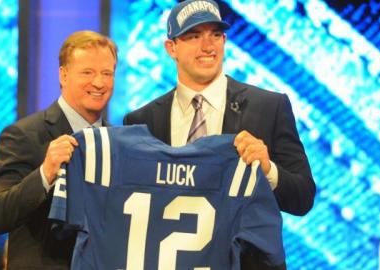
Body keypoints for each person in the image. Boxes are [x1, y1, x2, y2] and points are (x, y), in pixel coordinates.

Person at [123, 0, 315, 268]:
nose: (207, 46)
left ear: (224, 40)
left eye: (215, 34)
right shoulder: (142, 122)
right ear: (171, 48)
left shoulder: (269, 107)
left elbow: (303, 198)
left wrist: (268, 169)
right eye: (193, 36)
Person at [0, 30, 117, 269]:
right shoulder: (22, 135)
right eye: (87, 72)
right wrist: (45, 173)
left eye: (107, 73)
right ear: (64, 75)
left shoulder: (117, 143)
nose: (99, 83)